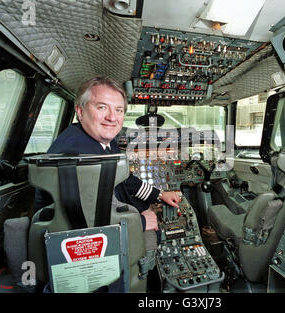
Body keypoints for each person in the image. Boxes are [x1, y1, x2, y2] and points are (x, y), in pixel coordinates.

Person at [34, 76, 180, 232]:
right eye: (102, 107)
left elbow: (125, 179)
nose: (112, 117)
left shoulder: (102, 143)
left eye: (118, 110)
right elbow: (84, 223)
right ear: (80, 111)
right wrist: (142, 222)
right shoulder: (76, 155)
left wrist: (160, 194)